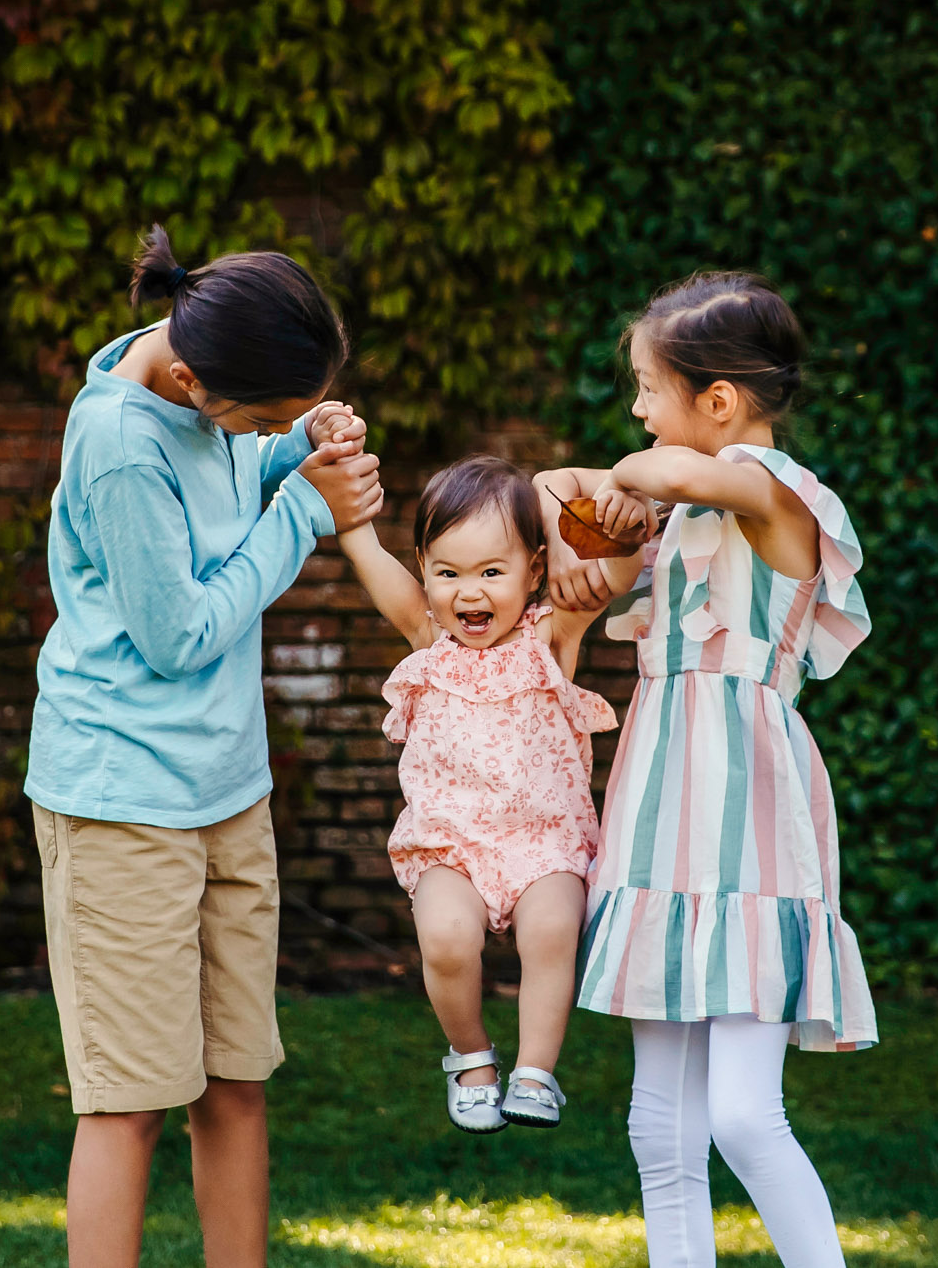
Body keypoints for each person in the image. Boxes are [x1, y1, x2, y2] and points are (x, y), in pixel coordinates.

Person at [24, 226, 381, 1268]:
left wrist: (294, 436)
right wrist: (302, 508)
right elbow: (177, 634)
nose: (264, 430)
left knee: (233, 1081)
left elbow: (229, 459)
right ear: (192, 378)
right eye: (260, 414)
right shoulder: (122, 443)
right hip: (120, 798)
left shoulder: (200, 381)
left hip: (226, 788)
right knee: (129, 1100)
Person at [537, 272, 877, 1267]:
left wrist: (621, 486)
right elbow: (553, 497)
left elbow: (687, 478)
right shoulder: (674, 517)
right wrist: (588, 537)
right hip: (659, 805)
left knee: (740, 1113)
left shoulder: (775, 495)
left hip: (745, 813)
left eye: (648, 388)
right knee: (659, 1125)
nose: (638, 411)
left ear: (716, 402)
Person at [335, 455, 646, 1132]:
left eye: (490, 572)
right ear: (423, 567)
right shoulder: (430, 640)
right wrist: (350, 515)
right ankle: (471, 1054)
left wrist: (626, 533)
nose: (467, 592)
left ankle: (536, 1071)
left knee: (553, 928)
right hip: (451, 842)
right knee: (444, 936)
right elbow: (368, 553)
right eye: (447, 572)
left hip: (544, 838)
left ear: (535, 569)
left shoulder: (551, 634)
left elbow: (614, 576)